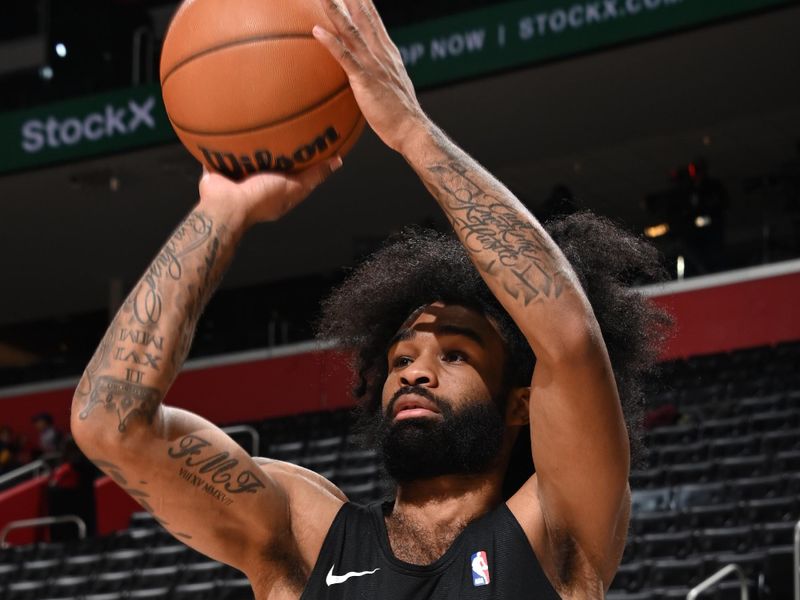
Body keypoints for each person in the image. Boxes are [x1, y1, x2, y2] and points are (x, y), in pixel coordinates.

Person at [71, 1, 669, 597]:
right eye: (401, 360)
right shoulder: (306, 537)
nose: (416, 374)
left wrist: (411, 130)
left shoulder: (555, 533)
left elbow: (569, 339)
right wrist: (222, 213)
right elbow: (109, 425)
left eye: (456, 355)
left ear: (521, 403)